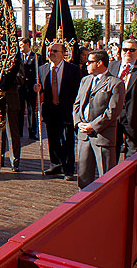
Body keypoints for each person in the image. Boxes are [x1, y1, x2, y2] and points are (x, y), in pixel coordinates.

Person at [73, 49, 126, 189]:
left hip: (103, 136)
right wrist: (79, 123)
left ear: (99, 63)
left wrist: (93, 126)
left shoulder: (116, 83)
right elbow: (77, 104)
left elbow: (112, 111)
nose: (86, 65)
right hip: (84, 135)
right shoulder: (85, 80)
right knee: (83, 175)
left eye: (89, 62)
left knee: (106, 177)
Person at [34, 43, 80, 180]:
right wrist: (36, 88)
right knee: (53, 140)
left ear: (63, 53)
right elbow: (38, 88)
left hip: (66, 110)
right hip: (50, 110)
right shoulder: (42, 69)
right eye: (50, 51)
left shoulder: (73, 69)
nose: (51, 53)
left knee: (67, 141)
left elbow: (78, 90)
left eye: (55, 51)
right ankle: (55, 164)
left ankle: (68, 169)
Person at [18, 38, 41, 140]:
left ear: (27, 44)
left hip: (31, 87)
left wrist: (37, 83)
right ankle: (19, 132)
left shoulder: (36, 57)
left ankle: (32, 132)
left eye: (22, 45)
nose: (20, 47)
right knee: (19, 110)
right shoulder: (17, 57)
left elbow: (39, 72)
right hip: (20, 87)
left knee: (31, 110)